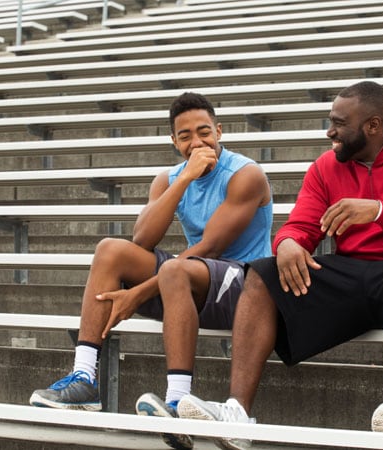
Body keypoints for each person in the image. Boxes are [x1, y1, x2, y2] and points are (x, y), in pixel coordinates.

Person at [174, 81, 383, 450]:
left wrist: (379, 212)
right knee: (263, 273)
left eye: (339, 123)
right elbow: (300, 227)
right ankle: (236, 415)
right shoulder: (326, 166)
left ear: (373, 126)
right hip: (357, 272)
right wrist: (286, 245)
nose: (330, 131)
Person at [29, 92, 273, 450]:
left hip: (247, 286)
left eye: (204, 131)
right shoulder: (170, 178)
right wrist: (184, 179)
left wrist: (140, 292)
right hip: (191, 279)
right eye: (185, 135)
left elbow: (211, 249)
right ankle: (84, 378)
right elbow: (142, 238)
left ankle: (176, 402)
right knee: (110, 251)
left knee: (176, 269)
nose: (197, 141)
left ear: (219, 131)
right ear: (174, 142)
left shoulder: (245, 174)